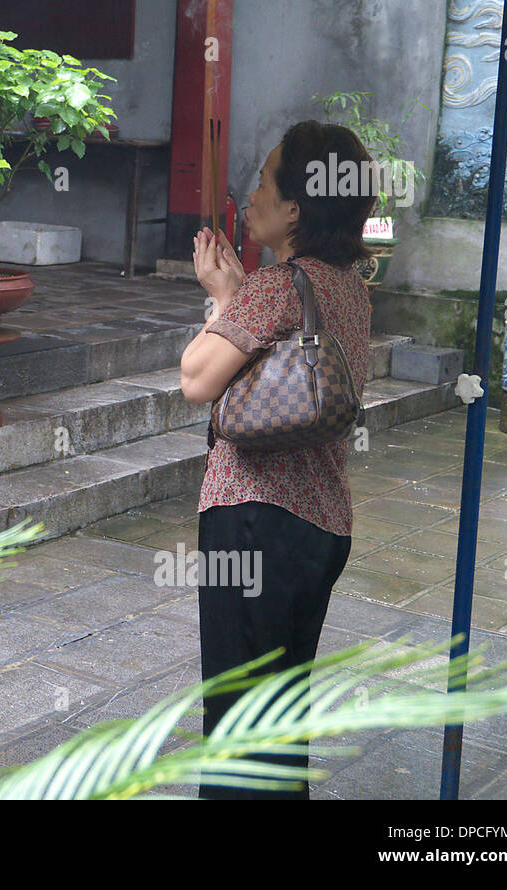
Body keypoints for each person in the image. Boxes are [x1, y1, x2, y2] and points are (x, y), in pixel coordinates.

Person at [178, 119, 376, 800]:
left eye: (264, 181)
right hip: (321, 524)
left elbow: (197, 379)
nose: (250, 194)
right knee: (281, 713)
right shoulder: (347, 285)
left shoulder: (276, 286)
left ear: (296, 207)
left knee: (237, 717)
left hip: (253, 518)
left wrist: (221, 297)